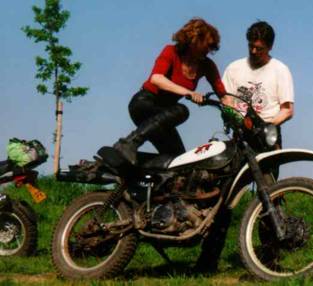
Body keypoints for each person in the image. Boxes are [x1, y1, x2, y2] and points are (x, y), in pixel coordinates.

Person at [195, 21, 294, 274]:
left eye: (259, 48)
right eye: (251, 46)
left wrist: (265, 124)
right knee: (224, 197)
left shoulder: (279, 70)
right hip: (239, 136)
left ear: (269, 47)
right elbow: (224, 99)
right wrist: (234, 116)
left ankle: (268, 261)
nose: (253, 51)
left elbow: (287, 109)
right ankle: (207, 263)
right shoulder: (234, 68)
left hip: (267, 136)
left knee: (269, 195)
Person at [114, 18, 227, 165]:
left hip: (165, 114)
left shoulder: (207, 65)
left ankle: (132, 166)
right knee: (182, 110)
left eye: (213, 46)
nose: (209, 49)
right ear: (195, 39)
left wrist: (239, 114)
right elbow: (156, 78)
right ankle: (129, 143)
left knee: (179, 160)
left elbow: (223, 94)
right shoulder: (171, 51)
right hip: (144, 103)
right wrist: (189, 93)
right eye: (208, 44)